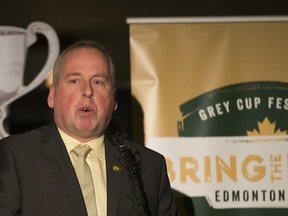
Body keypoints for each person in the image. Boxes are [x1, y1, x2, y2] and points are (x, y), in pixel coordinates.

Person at [0, 40, 178, 216]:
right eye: (75, 81)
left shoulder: (150, 166)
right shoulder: (14, 156)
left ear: (114, 99)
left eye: (98, 82)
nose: (87, 91)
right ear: (52, 95)